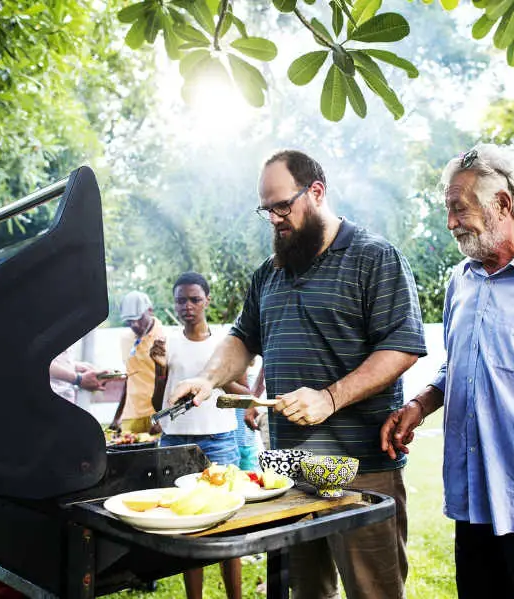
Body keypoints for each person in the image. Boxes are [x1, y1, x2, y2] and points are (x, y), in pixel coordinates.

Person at [167, 150, 427, 599]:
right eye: (266, 209)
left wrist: (329, 398)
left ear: (317, 192)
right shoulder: (269, 274)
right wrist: (208, 378)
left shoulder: (375, 257)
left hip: (360, 468)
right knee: (305, 592)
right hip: (287, 470)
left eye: (282, 206)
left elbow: (401, 346)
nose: (274, 219)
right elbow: (242, 340)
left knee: (374, 591)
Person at [381, 143, 514, 598]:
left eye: (459, 209)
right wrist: (419, 404)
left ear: (503, 203)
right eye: (448, 210)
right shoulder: (461, 279)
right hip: (473, 499)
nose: (451, 223)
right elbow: (460, 363)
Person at [150, 271, 248, 599]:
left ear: (207, 300)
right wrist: (161, 368)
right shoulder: (167, 344)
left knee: (226, 523)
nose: (187, 306)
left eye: (194, 299)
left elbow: (243, 390)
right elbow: (157, 404)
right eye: (181, 300)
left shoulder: (225, 344)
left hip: (218, 440)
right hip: (176, 441)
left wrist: (212, 378)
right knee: (186, 525)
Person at [110, 291, 164, 434]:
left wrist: (163, 417)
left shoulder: (164, 337)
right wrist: (117, 417)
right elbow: (129, 378)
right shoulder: (125, 340)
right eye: (129, 321)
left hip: (157, 416)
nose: (134, 324)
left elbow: (170, 380)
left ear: (150, 310)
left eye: (138, 319)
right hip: (131, 416)